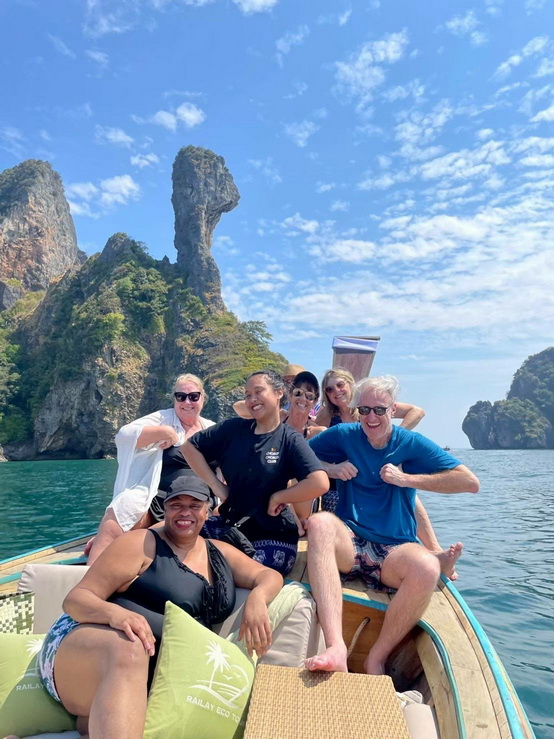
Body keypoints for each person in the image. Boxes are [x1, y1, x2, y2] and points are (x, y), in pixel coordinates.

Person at [39, 471, 283, 739]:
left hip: (144, 674)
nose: (185, 512)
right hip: (83, 649)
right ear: (164, 509)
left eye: (195, 505)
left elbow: (268, 575)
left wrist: (258, 598)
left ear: (208, 511)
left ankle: (91, 723)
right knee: (132, 645)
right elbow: (76, 600)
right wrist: (117, 615)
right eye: (176, 504)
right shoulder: (141, 544)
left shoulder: (217, 552)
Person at [304, 375, 479, 676]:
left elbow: (469, 482)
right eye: (364, 410)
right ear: (357, 410)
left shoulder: (410, 443)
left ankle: (376, 658)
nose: (371, 417)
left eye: (380, 410)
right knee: (319, 523)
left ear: (393, 410)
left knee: (427, 567)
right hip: (351, 540)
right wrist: (330, 468)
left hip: (393, 551)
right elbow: (297, 452)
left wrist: (406, 479)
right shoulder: (344, 435)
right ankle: (335, 647)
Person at [182, 369, 329, 576]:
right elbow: (189, 447)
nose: (252, 399)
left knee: (236, 568)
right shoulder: (233, 429)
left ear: (279, 393)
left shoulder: (289, 439)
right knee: (169, 532)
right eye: (248, 394)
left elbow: (319, 482)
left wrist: (279, 497)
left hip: (272, 536)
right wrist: (217, 487)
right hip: (231, 525)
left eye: (258, 392)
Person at [87, 373, 214, 564]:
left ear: (202, 398)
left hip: (198, 501)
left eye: (193, 396)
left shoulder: (212, 429)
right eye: (181, 396)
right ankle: (90, 575)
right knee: (121, 510)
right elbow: (124, 436)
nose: (187, 402)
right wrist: (165, 432)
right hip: (157, 498)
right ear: (174, 399)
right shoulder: (163, 419)